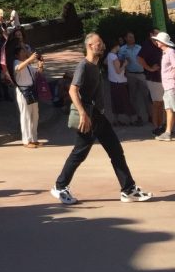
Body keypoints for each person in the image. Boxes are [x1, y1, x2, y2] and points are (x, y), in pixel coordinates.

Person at [50, 33, 152, 205]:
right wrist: (83, 113)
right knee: (80, 153)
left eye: (103, 43)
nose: (102, 46)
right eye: (99, 43)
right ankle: (60, 186)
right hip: (90, 116)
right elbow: (72, 90)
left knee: (115, 151)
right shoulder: (84, 65)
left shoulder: (95, 65)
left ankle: (128, 190)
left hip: (98, 116)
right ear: (90, 45)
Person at [8, 43, 43, 148]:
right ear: (17, 54)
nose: (25, 53)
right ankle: (26, 141)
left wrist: (40, 66)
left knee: (35, 115)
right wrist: (30, 59)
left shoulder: (27, 65)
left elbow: (37, 74)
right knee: (25, 116)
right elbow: (18, 68)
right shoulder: (16, 62)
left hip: (31, 90)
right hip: (23, 91)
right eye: (23, 52)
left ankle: (34, 138)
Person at [118, 32, 150, 125]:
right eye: (130, 37)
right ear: (126, 38)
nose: (132, 38)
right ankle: (137, 116)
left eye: (133, 37)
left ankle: (150, 115)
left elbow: (145, 59)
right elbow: (119, 62)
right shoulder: (122, 49)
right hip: (130, 74)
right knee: (133, 96)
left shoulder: (139, 48)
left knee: (146, 95)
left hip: (141, 74)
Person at [138, 29, 165, 135]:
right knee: (157, 103)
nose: (158, 35)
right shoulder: (147, 45)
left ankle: (162, 126)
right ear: (151, 35)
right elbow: (139, 59)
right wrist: (149, 68)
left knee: (163, 104)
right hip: (153, 79)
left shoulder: (160, 44)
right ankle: (157, 127)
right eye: (156, 33)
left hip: (163, 78)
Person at [105, 41, 137, 124]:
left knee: (115, 101)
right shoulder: (114, 57)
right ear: (115, 46)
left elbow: (105, 62)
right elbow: (118, 71)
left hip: (113, 81)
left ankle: (116, 120)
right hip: (119, 81)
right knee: (125, 100)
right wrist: (125, 64)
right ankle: (131, 120)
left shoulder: (109, 55)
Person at [152, 31, 175, 141]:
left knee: (170, 109)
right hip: (168, 85)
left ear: (162, 42)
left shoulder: (170, 52)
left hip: (171, 85)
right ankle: (168, 131)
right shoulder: (166, 52)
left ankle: (168, 132)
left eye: (158, 40)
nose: (156, 42)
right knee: (169, 108)